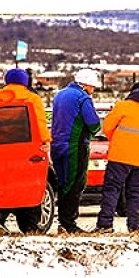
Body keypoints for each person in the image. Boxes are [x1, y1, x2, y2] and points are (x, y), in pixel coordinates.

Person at [0, 68, 52, 234]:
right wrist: (46, 141)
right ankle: (29, 227)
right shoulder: (31, 99)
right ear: (25, 81)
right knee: (28, 187)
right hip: (24, 148)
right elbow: (39, 122)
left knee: (5, 185)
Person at [93, 82, 139, 234]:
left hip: (120, 157)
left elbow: (106, 128)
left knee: (112, 190)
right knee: (135, 193)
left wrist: (117, 140)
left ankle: (105, 225)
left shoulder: (123, 106)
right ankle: (135, 226)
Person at [50, 68, 102, 234]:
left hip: (57, 145)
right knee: (74, 183)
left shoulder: (59, 95)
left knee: (63, 182)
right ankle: (68, 223)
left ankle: (63, 222)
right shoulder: (82, 97)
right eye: (93, 87)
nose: (93, 90)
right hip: (75, 146)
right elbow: (93, 123)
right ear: (86, 84)